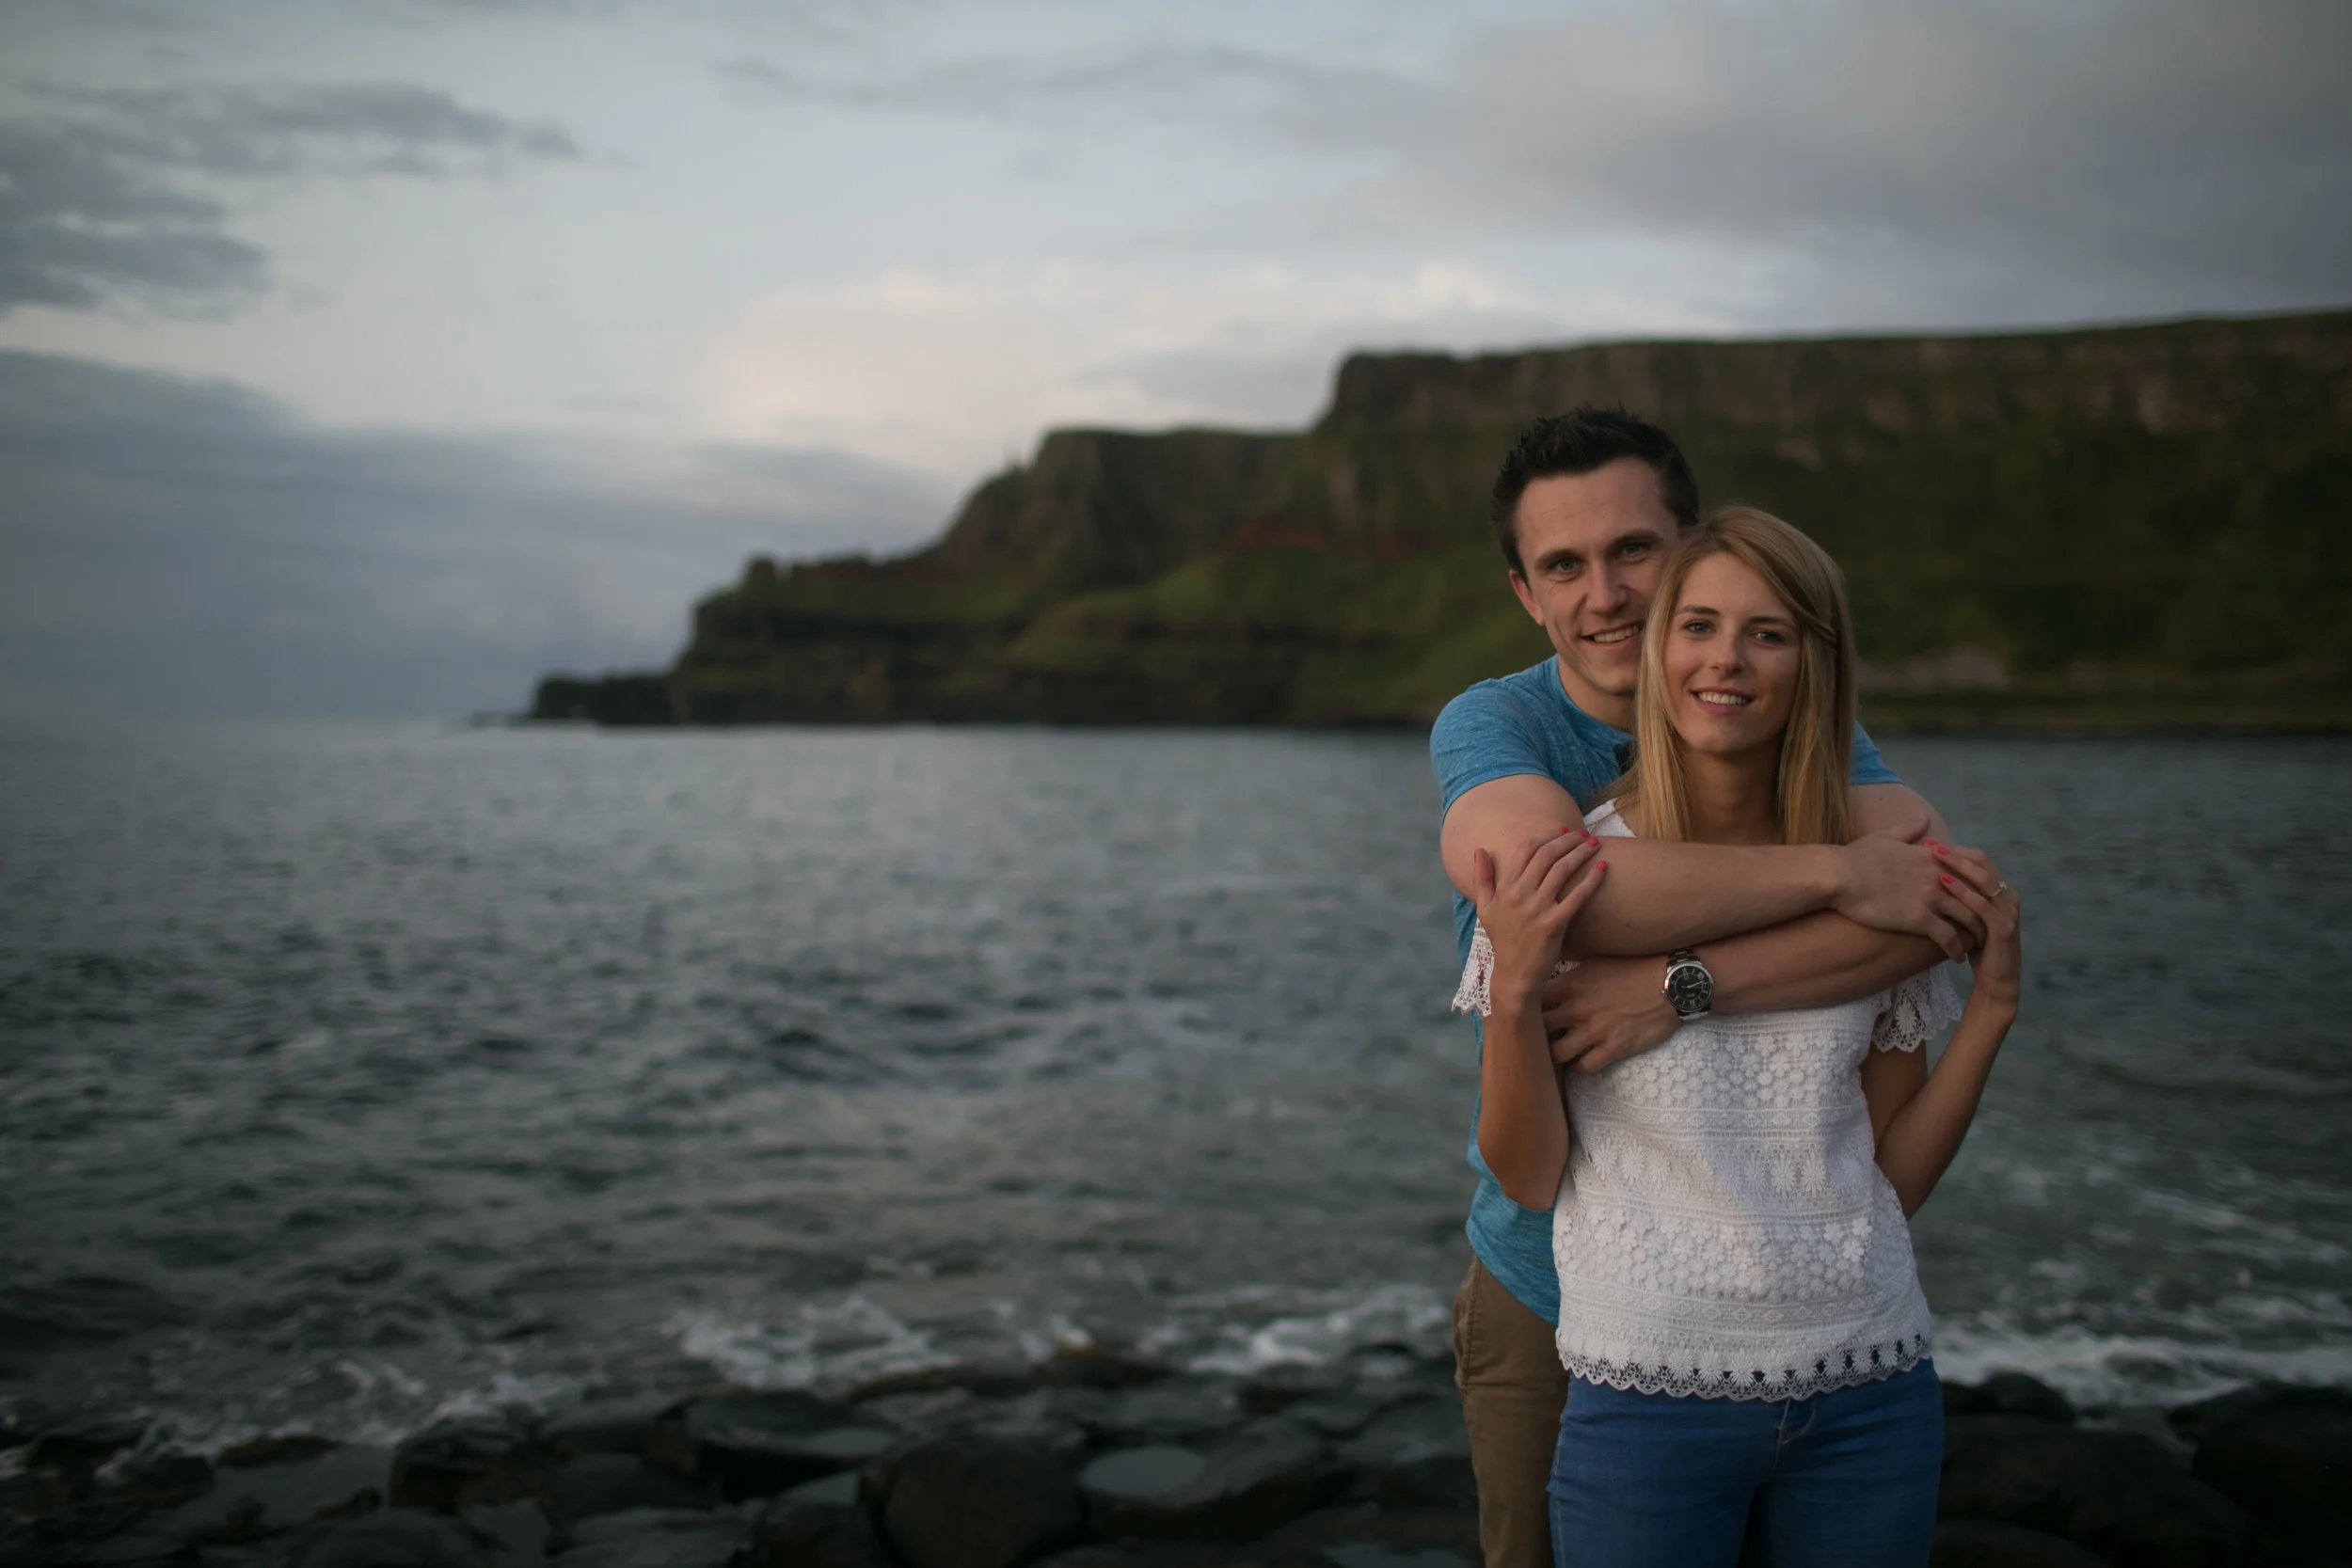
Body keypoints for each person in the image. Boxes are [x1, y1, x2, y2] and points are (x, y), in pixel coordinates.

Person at [1429, 409, 1987, 1568]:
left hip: (1808, 1321)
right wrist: (1837, 874)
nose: (1605, 594)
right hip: (1551, 1283)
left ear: (1688, 548)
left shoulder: (1791, 724)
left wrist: (1675, 988)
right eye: (1564, 566)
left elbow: (1932, 903)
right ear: (1526, 593)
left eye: (1634, 551)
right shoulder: (1501, 724)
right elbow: (1567, 895)